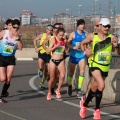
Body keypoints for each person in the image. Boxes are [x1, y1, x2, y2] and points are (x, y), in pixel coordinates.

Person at [79, 18, 118, 119]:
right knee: (101, 85)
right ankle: (97, 110)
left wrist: (117, 46)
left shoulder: (112, 37)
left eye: (108, 26)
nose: (106, 28)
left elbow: (118, 52)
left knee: (95, 87)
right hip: (94, 64)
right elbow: (82, 44)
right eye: (104, 26)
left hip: (105, 66)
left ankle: (85, 105)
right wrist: (85, 52)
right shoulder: (93, 36)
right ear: (100, 26)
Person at [0, 19, 22, 103]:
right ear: (10, 26)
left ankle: (1, 97)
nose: (15, 29)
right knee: (2, 78)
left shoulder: (19, 35)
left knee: (8, 79)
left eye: (17, 27)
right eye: (14, 27)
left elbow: (20, 48)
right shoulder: (3, 33)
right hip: (2, 57)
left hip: (11, 58)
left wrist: (17, 38)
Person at [66, 19, 87, 98]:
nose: (83, 26)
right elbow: (67, 43)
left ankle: (79, 89)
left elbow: (87, 44)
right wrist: (72, 47)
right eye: (81, 24)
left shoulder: (85, 35)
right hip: (74, 55)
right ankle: (69, 85)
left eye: (83, 24)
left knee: (82, 71)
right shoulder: (73, 34)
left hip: (82, 55)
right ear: (77, 25)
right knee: (71, 72)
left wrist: (86, 50)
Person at [46, 28, 66, 100]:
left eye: (62, 35)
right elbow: (48, 52)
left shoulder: (64, 41)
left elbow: (66, 49)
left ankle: (58, 90)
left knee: (62, 76)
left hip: (61, 60)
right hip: (53, 60)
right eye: (60, 35)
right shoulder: (53, 40)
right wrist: (56, 46)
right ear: (57, 34)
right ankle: (49, 92)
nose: (61, 36)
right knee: (52, 78)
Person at [33, 25, 53, 89]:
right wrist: (36, 47)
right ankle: (40, 70)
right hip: (41, 53)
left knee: (47, 71)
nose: (50, 31)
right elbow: (35, 40)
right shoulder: (42, 35)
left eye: (51, 30)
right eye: (49, 30)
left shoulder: (53, 37)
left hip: (49, 54)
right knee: (41, 67)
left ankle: (42, 83)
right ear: (46, 30)